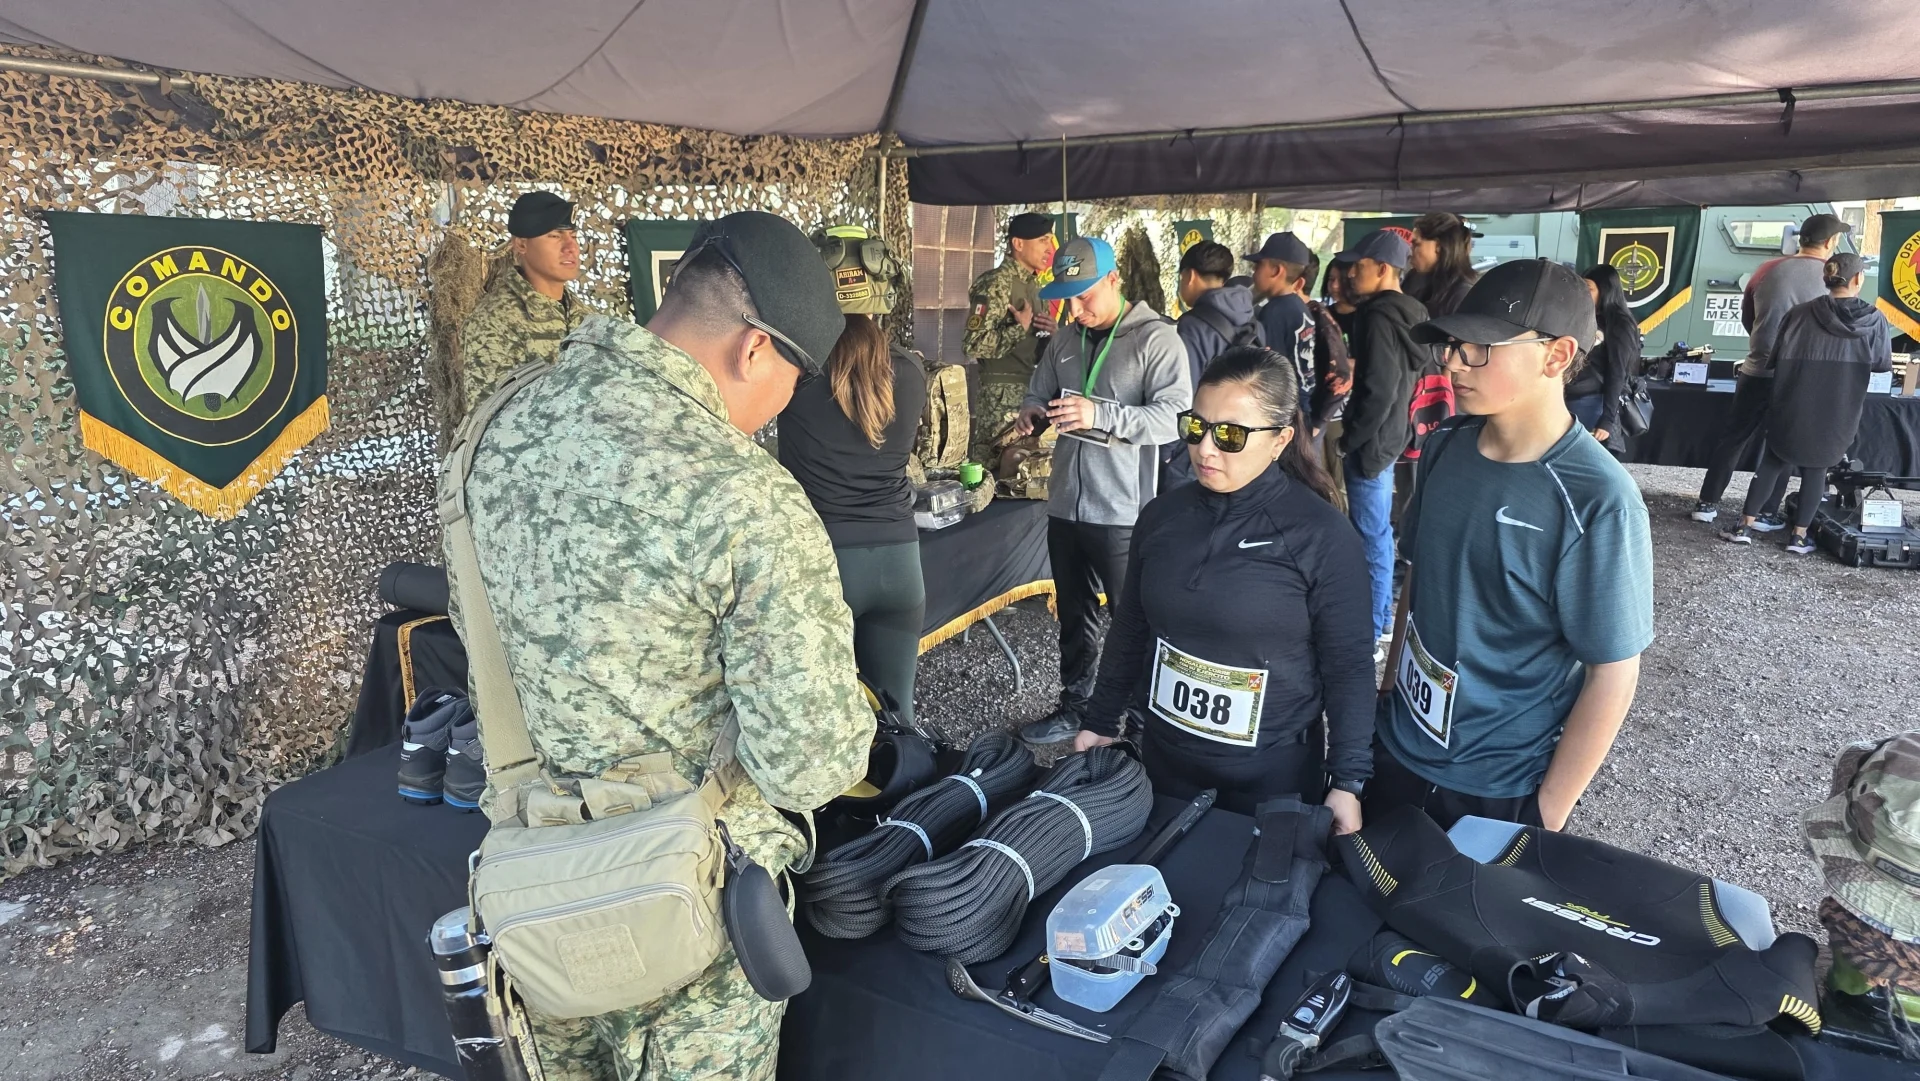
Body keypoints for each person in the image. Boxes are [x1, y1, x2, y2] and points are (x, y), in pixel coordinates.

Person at [448, 210, 873, 1080]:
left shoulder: (493, 432)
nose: (780, 406)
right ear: (756, 350)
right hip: (685, 921)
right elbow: (811, 761)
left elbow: (478, 639)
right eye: (792, 380)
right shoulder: (744, 494)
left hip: (533, 897)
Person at [1375, 258, 1653, 831]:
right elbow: (1419, 580)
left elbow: (1614, 671)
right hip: (1396, 747)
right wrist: (1388, 692)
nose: (1453, 363)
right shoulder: (1444, 447)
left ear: (1557, 356)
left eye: (1481, 347)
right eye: (1451, 344)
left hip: (1499, 786)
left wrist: (1546, 813)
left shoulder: (1598, 497)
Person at [1069, 347, 1374, 826]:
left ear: (1280, 440)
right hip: (1163, 764)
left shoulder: (1322, 537)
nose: (1205, 448)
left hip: (1273, 779)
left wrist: (1347, 782)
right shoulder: (1161, 516)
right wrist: (1101, 720)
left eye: (1230, 435)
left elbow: (1350, 666)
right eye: (1196, 426)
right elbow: (1131, 626)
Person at [1011, 236, 1193, 745]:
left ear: (1114, 280)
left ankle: (1139, 724)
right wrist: (1031, 408)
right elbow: (1039, 385)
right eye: (1067, 296)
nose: (1075, 307)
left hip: (1124, 512)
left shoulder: (1157, 340)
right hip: (1066, 502)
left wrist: (1100, 415)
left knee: (1131, 618)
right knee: (1073, 614)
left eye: (1085, 294)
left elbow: (1177, 420)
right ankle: (1076, 707)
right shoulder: (1067, 337)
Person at [779, 226, 930, 718]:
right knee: (898, 717)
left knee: (825, 720)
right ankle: (912, 796)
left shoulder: (796, 371)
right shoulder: (909, 370)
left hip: (826, 562)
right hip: (900, 563)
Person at [1720, 252, 1893, 552]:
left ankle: (1743, 525)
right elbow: (1881, 364)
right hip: (1840, 406)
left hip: (1792, 401)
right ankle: (1798, 536)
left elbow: (1773, 360)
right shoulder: (1874, 319)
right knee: (1817, 470)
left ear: (1826, 278)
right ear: (1857, 279)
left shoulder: (1798, 314)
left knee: (1773, 461)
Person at [1692, 212, 1853, 525]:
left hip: (1757, 368)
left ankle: (1707, 504)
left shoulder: (1767, 269)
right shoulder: (1832, 280)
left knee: (1734, 438)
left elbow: (1748, 316)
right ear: (1831, 242)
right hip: (1799, 379)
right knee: (1782, 446)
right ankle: (1765, 513)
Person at [1335, 229, 1428, 648]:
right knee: (1378, 532)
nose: (1351, 274)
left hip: (1372, 442)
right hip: (1392, 436)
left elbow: (1379, 388)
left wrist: (1349, 438)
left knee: (1370, 534)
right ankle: (1379, 620)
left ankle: (1373, 630)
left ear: (1384, 270)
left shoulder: (1377, 315)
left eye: (1359, 267)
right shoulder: (1412, 311)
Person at [459, 190, 588, 413]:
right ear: (521, 245)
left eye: (573, 236)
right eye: (555, 236)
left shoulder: (585, 317)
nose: (571, 247)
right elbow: (491, 420)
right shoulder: (496, 321)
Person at [1163, 240, 1264, 487]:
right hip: (1241, 438)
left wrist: (1168, 450)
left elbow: (1183, 394)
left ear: (1189, 276)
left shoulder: (1191, 327)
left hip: (1199, 445)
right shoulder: (1251, 317)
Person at [964, 212, 1058, 460]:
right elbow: (973, 345)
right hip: (1000, 399)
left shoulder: (1037, 288)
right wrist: (1019, 328)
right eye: (1043, 240)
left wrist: (1052, 335)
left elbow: (1039, 349)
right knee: (994, 474)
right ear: (1018, 244)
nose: (1049, 248)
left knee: (1025, 478)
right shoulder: (995, 283)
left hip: (1034, 393)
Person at [1565, 265, 1642, 444]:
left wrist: (1607, 419)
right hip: (1570, 399)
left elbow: (1618, 372)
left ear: (1605, 290)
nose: (1584, 293)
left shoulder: (1620, 324)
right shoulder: (1584, 319)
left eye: (1589, 288)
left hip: (1593, 404)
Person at [1245, 231, 1318, 383]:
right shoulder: (1300, 307)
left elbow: (1269, 370)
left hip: (1285, 401)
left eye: (1258, 265)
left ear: (1276, 271)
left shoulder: (1274, 313)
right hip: (1304, 397)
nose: (1253, 271)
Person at [1404, 212, 1481, 318]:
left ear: (1438, 246)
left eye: (1416, 244)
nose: (1410, 251)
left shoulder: (1462, 295)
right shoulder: (1413, 278)